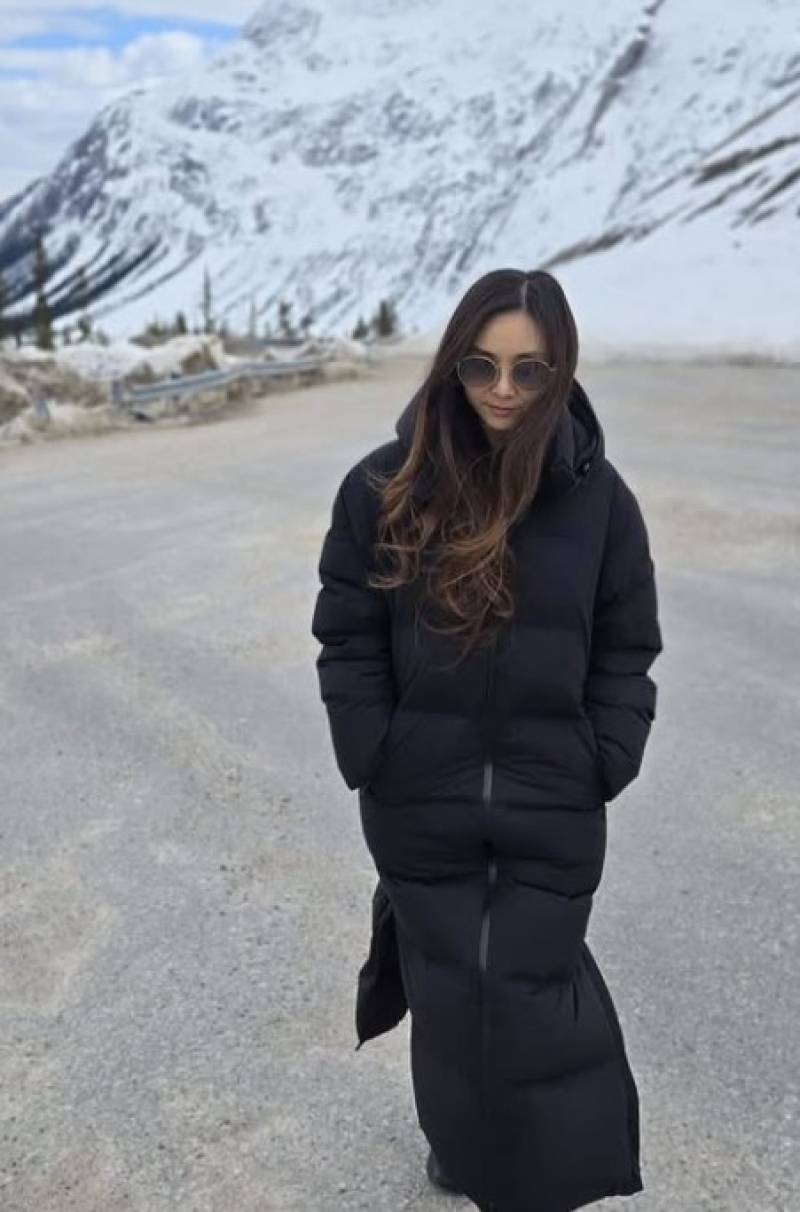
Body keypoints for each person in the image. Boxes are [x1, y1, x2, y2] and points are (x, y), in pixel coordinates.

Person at [311, 268, 662, 1212]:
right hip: (418, 796)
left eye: (529, 369)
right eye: (481, 366)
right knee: (448, 990)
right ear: (452, 365)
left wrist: (604, 755)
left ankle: (538, 1175)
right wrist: (372, 746)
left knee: (528, 992)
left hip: (553, 800)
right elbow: (347, 631)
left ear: (561, 371)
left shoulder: (601, 501)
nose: (503, 390)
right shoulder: (383, 488)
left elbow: (627, 646)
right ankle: (460, 1146)